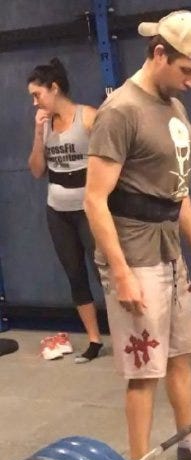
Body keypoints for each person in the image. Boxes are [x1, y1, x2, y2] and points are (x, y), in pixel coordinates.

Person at [83, 10, 191, 460]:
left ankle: (187, 439)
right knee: (144, 368)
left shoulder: (173, 108)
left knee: (182, 352)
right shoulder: (120, 110)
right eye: (185, 71)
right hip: (135, 251)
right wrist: (121, 273)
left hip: (170, 248)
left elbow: (179, 190)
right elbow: (94, 200)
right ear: (159, 54)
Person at [26, 58, 105, 363]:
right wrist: (37, 134)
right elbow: (36, 171)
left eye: (37, 95)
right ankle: (95, 340)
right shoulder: (44, 125)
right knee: (75, 275)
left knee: (106, 274)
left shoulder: (87, 117)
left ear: (54, 88)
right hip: (57, 211)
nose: (35, 102)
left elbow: (112, 160)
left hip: (89, 209)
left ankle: (130, 334)